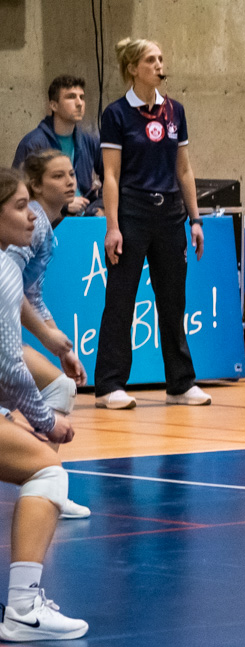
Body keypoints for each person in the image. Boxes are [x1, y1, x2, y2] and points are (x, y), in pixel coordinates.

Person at [94, 37, 209, 409]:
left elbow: (184, 168)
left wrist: (195, 219)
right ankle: (110, 385)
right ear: (132, 68)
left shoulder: (175, 111)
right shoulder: (116, 114)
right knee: (121, 300)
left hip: (170, 214)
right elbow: (110, 176)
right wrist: (113, 226)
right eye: (150, 60)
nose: (160, 65)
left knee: (173, 300)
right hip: (132, 214)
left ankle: (180, 384)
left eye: (161, 58)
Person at [0, 168, 87, 642]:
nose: (29, 215)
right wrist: (43, 422)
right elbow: (8, 369)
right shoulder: (3, 272)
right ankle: (24, 609)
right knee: (48, 471)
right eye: (18, 207)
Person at [9, 150, 92, 519]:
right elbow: (10, 288)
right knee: (59, 388)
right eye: (58, 176)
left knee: (60, 385)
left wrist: (61, 345)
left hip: (9, 328)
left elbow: (32, 294)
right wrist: (46, 337)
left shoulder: (45, 225)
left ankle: (46, 480)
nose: (70, 181)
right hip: (4, 332)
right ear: (37, 185)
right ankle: (45, 478)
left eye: (71, 173)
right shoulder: (36, 224)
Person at [12, 76, 102, 217]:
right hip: (49, 219)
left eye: (82, 97)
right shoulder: (33, 143)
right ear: (54, 105)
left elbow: (111, 175)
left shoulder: (88, 139)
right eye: (71, 97)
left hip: (85, 216)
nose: (79, 103)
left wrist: (99, 206)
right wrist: (63, 205)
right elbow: (18, 192)